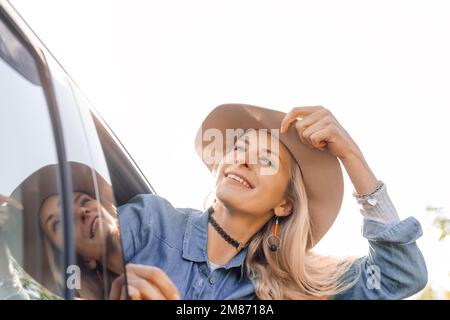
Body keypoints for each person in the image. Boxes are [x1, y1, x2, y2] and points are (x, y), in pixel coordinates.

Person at [114, 104, 427, 300]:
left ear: (284, 205)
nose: (244, 161)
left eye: (266, 160)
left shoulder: (289, 289)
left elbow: (399, 276)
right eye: (239, 147)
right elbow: (68, 262)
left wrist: (351, 155)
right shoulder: (151, 221)